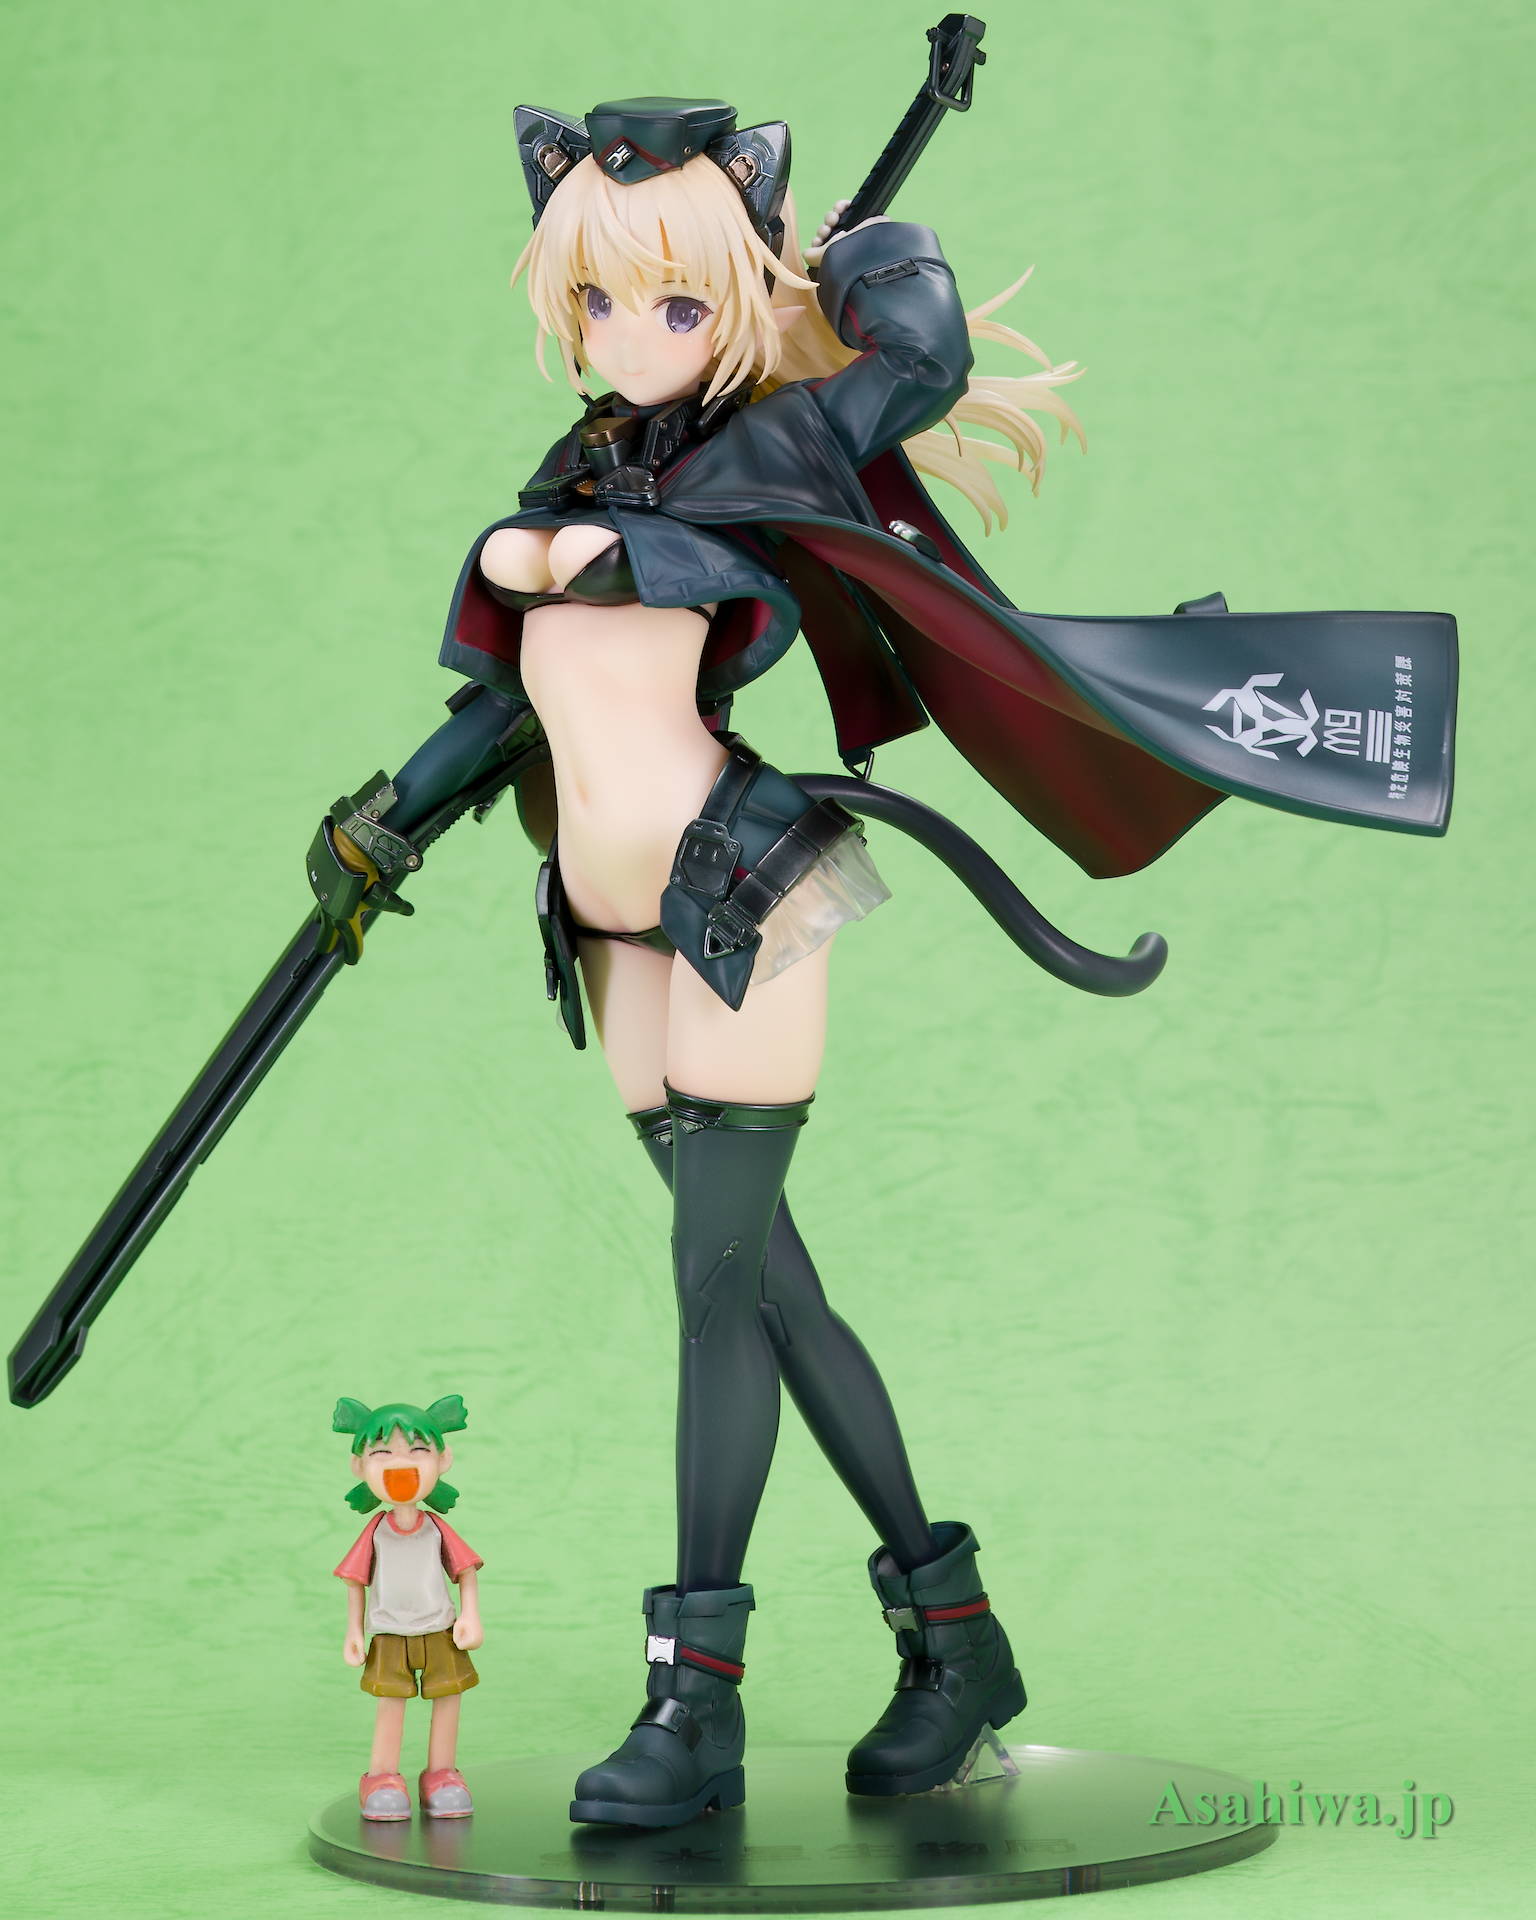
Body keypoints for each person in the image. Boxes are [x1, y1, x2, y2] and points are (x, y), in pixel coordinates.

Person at [308, 95, 1454, 1830]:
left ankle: (693, 1701)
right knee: (766, 1288)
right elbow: (517, 702)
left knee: (715, 1289)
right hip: (606, 926)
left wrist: (852, 261)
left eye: (675, 298)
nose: (628, 331)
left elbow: (919, 357)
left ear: (735, 291)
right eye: (597, 298)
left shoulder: (779, 440)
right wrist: (388, 819)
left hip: (737, 891)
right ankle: (956, 1638)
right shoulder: (581, 476)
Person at [332, 1395, 484, 1820]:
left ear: (443, 1459)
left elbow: (465, 1572)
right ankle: (381, 1776)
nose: (401, 1464)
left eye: (418, 1450)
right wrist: (354, 1631)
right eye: (382, 1453)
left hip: (440, 1630)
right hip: (389, 1634)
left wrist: (470, 1615)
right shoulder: (376, 1531)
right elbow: (355, 1581)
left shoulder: (436, 1528)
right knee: (391, 1702)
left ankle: (441, 1773)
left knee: (449, 1698)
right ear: (359, 1466)